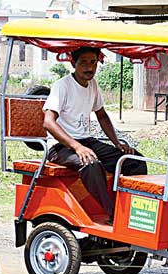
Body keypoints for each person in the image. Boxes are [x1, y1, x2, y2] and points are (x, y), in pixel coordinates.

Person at [43, 47, 147, 222]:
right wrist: (77, 147)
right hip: (61, 147)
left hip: (86, 142)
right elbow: (48, 122)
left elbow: (102, 115)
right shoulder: (62, 86)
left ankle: (130, 208)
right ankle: (114, 214)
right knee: (91, 163)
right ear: (73, 63)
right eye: (83, 62)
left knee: (135, 161)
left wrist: (117, 144)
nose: (89, 67)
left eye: (93, 62)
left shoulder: (93, 85)